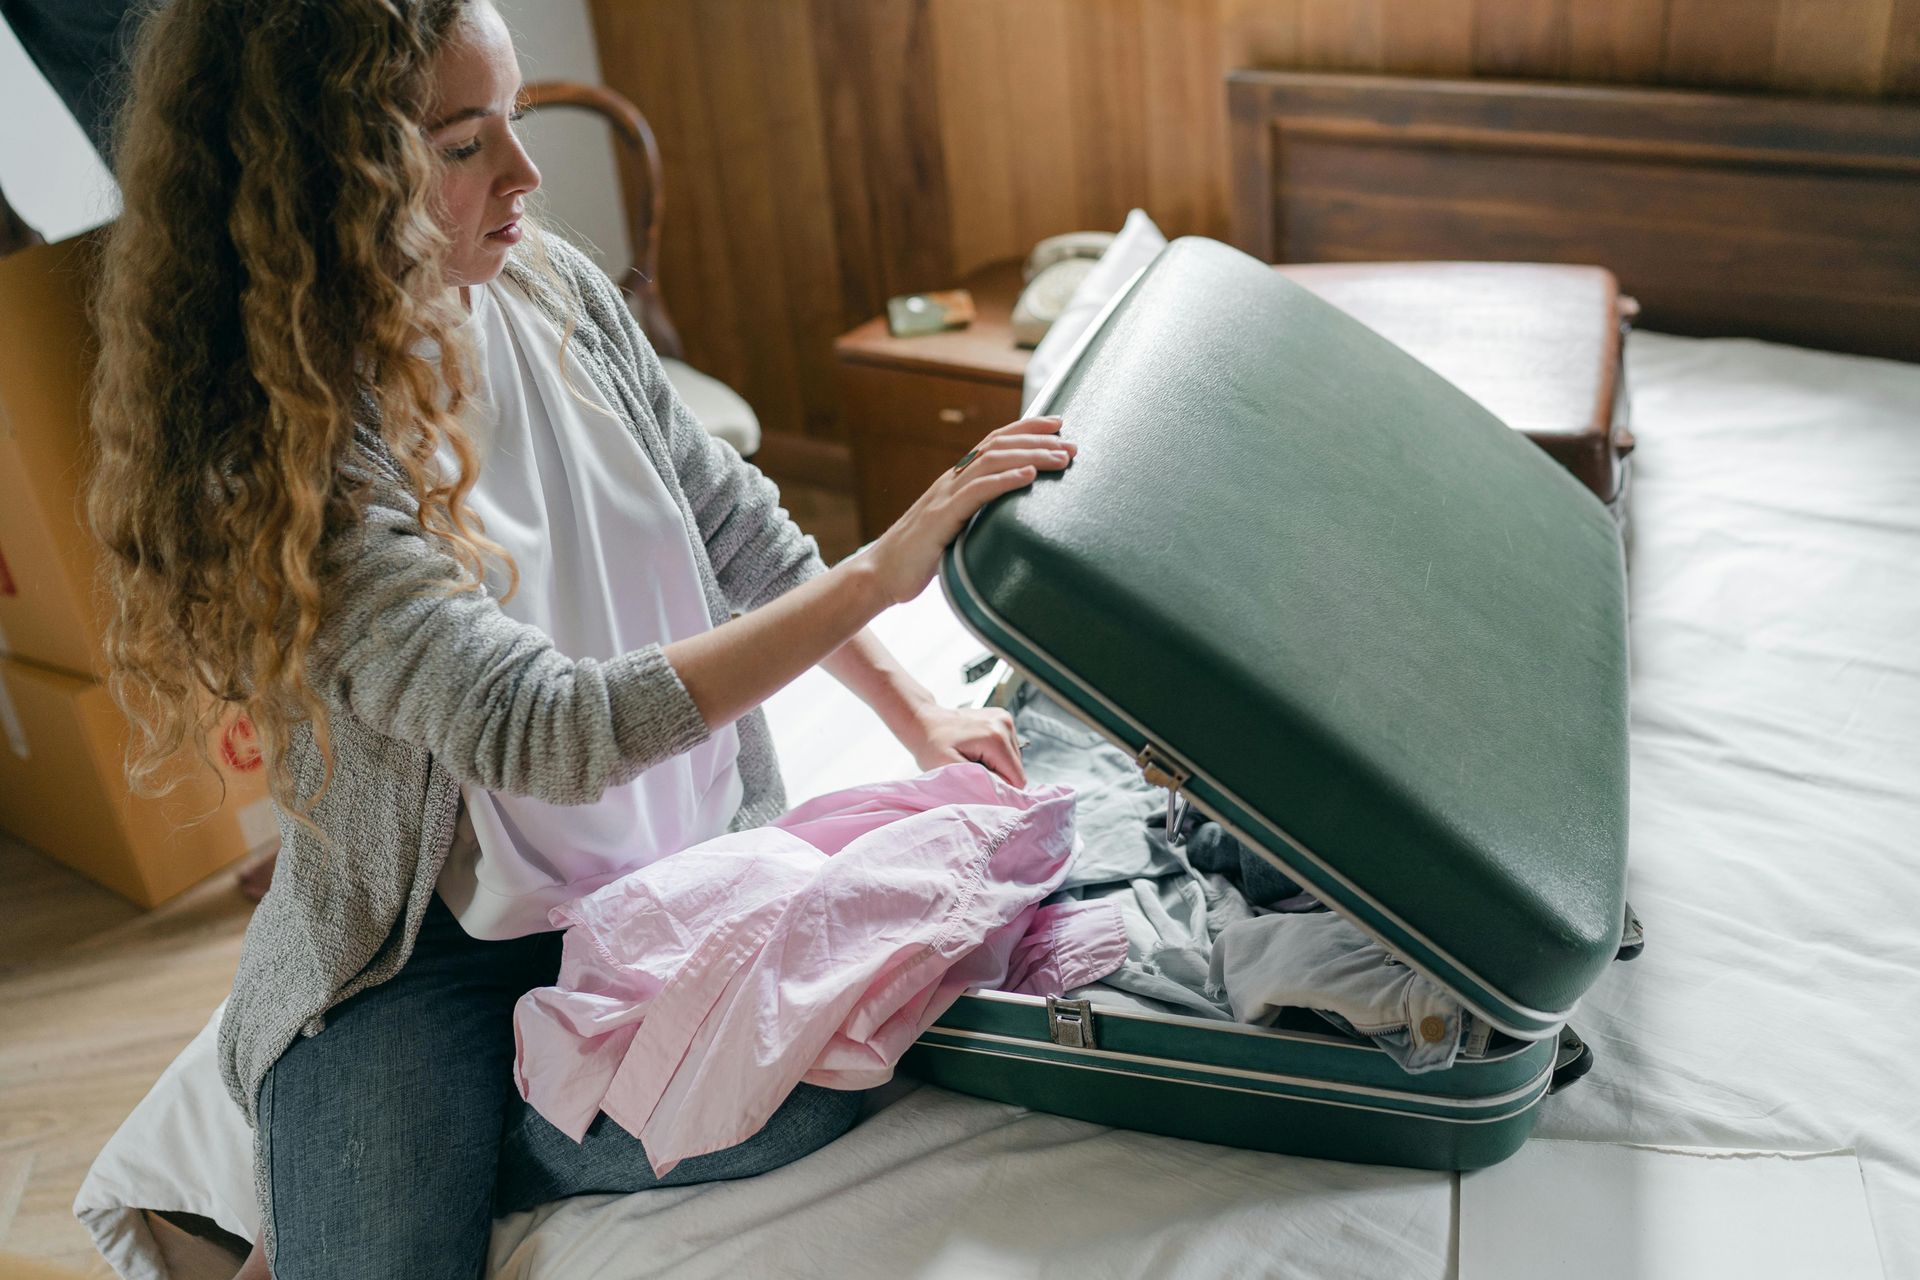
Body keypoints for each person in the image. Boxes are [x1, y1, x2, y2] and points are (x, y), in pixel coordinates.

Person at [83, 2, 1077, 1276]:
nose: (526, 176)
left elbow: (733, 521)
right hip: (427, 959)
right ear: (327, 178)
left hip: (659, 866)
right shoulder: (284, 451)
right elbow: (544, 727)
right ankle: (369, 1135)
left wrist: (916, 713)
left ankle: (475, 1130)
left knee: (839, 1077)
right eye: (460, 145)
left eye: (518, 118)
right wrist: (884, 569)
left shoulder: (552, 285)